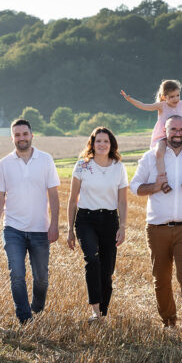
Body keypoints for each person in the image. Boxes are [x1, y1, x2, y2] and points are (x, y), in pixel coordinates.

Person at [130, 115, 182, 338]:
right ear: (165, 131)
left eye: (181, 129)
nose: (177, 133)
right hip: (157, 228)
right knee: (161, 278)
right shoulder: (150, 157)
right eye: (173, 129)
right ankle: (168, 321)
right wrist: (155, 186)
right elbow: (135, 186)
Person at [0, 119, 60, 324]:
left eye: (25, 134)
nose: (21, 138)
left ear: (31, 135)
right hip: (13, 229)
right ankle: (24, 317)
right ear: (12, 138)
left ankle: (37, 307)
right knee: (17, 275)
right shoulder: (4, 164)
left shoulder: (46, 160)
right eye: (17, 135)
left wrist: (54, 224)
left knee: (41, 278)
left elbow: (54, 195)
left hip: (40, 229)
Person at [66, 127, 129, 321]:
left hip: (109, 221)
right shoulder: (82, 166)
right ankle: (94, 310)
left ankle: (103, 312)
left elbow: (123, 201)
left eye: (106, 141)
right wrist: (70, 229)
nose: (102, 145)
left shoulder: (119, 167)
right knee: (92, 260)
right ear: (92, 144)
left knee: (107, 269)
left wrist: (123, 226)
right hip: (86, 220)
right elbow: (72, 199)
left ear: (112, 145)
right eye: (98, 141)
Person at [121, 80, 182, 192]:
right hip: (163, 134)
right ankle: (163, 180)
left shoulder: (181, 104)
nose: (176, 99)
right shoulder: (161, 106)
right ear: (164, 97)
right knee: (159, 152)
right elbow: (144, 106)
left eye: (177, 95)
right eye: (172, 97)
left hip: (181, 133)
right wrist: (130, 99)